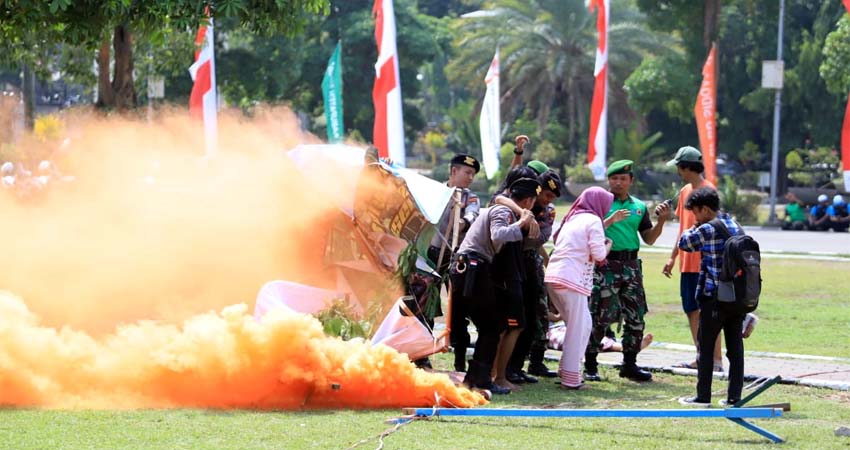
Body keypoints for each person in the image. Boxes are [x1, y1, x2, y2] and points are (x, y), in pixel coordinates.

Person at [450, 177, 539, 394]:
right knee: (492, 327)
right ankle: (480, 380)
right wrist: (521, 223)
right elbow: (498, 234)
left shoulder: (504, 209)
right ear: (529, 201)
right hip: (473, 266)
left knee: (491, 326)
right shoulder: (503, 212)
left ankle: (476, 379)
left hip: (471, 267)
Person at [583, 160, 669, 383]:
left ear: (631, 181)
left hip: (631, 266)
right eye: (614, 178)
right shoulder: (600, 202)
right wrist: (611, 219)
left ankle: (629, 364)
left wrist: (661, 222)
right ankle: (590, 364)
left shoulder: (638, 206)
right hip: (606, 265)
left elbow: (648, 238)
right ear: (609, 180)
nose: (618, 182)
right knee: (600, 316)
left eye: (623, 179)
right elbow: (586, 229)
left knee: (635, 315)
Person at [677, 187, 746, 407]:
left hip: (714, 296)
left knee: (705, 348)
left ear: (705, 210)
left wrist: (694, 226)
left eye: (695, 212)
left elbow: (685, 243)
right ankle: (734, 397)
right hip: (736, 297)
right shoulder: (736, 225)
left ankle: (702, 396)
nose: (695, 217)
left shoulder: (707, 227)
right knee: (735, 349)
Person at [495, 170, 562, 384]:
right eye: (545, 194)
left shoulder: (547, 212)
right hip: (510, 264)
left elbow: (539, 237)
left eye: (551, 197)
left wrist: (525, 227)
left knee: (532, 318)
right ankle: (503, 369)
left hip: (530, 264)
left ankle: (517, 367)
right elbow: (499, 196)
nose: (546, 200)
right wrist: (524, 217)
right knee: (512, 318)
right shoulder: (519, 204)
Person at [544, 187, 613, 389]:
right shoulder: (593, 221)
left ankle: (566, 370)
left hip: (555, 277)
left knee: (582, 325)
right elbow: (599, 255)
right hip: (571, 280)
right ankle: (571, 379)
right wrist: (608, 244)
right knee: (578, 328)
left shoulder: (573, 218)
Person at [662, 146, 723, 372]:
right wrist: (672, 257)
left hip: (707, 261)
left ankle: (715, 361)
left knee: (710, 313)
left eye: (679, 167)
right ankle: (702, 356)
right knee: (692, 310)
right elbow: (682, 229)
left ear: (686, 167)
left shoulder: (709, 191)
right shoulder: (685, 192)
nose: (678, 171)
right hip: (686, 262)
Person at [427, 153, 481, 371]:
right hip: (432, 254)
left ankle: (460, 358)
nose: (470, 178)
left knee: (459, 308)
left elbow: (472, 215)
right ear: (453, 172)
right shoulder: (434, 193)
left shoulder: (471, 197)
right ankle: (422, 354)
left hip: (458, 258)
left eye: (473, 174)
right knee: (427, 305)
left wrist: (463, 221)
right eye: (467, 172)